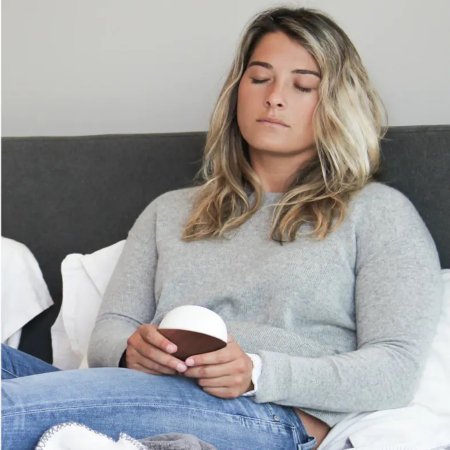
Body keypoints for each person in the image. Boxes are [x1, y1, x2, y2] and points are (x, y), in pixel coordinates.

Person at [1, 6, 442, 450]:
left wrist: (257, 372)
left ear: (336, 102)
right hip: (145, 389)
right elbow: (112, 328)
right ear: (237, 91)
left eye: (303, 85)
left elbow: (394, 369)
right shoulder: (170, 211)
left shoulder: (378, 213)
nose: (275, 97)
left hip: (268, 414)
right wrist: (132, 350)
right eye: (260, 78)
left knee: (9, 409)